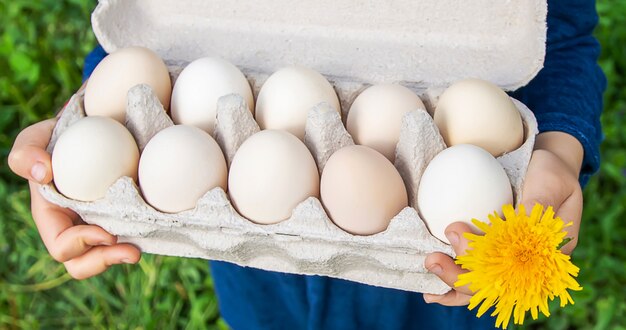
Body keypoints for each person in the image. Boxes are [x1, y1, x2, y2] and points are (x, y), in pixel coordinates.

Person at [8, 0, 605, 328]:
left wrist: (557, 150)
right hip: (260, 266)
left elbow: (564, 37)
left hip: (434, 271)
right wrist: (94, 123)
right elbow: (157, 25)